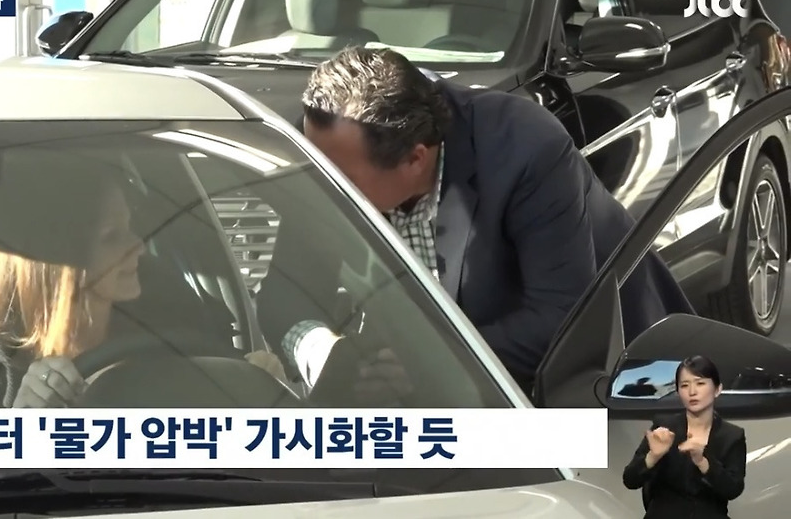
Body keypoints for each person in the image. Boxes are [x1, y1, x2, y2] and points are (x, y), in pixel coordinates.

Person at [257, 46, 695, 399]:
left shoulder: (524, 148)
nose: (325, 188)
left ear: (415, 159)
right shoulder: (327, 148)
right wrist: (330, 356)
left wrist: (426, 364)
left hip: (609, 387)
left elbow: (561, 323)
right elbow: (283, 299)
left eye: (344, 180)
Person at [0, 167, 287, 408]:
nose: (139, 246)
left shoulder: (173, 329)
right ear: (55, 259)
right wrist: (20, 424)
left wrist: (257, 382)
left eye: (130, 228)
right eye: (112, 237)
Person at [622, 355, 747, 518]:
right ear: (678, 391)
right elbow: (630, 480)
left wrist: (703, 462)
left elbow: (733, 489)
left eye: (700, 383)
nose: (692, 392)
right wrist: (653, 456)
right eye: (684, 385)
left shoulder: (732, 436)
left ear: (717, 389)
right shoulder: (663, 428)